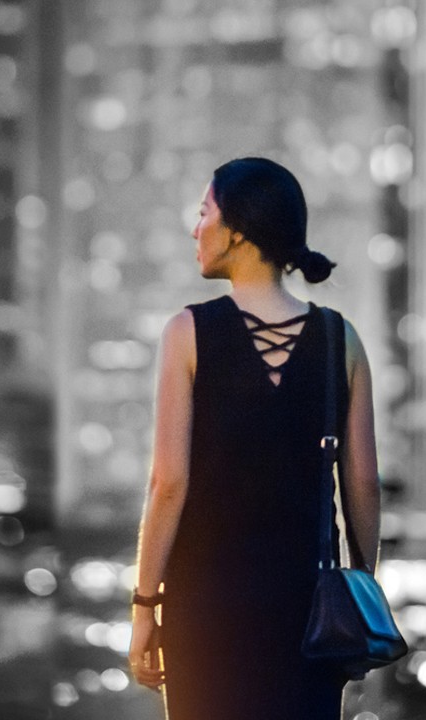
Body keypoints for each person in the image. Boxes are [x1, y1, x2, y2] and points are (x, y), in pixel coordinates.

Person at [127, 157, 382, 720]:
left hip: (204, 604)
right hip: (307, 610)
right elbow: (362, 482)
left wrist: (145, 606)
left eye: (204, 213)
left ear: (237, 228)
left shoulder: (187, 333)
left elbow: (168, 484)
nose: (196, 229)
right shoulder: (343, 340)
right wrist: (364, 591)